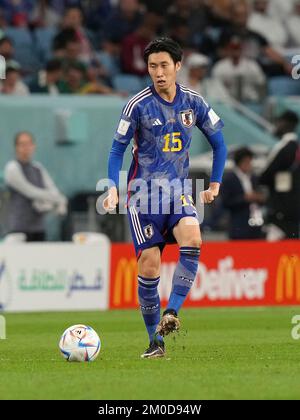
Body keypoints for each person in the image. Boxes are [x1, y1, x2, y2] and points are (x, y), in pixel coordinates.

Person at [103, 38, 227, 358]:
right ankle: (154, 342)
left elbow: (220, 144)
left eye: (164, 65)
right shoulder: (137, 105)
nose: (158, 72)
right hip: (142, 197)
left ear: (177, 66)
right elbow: (117, 148)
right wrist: (113, 187)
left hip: (176, 193)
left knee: (194, 238)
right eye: (152, 66)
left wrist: (214, 184)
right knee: (150, 265)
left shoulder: (194, 102)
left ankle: (172, 312)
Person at [4, 131, 67, 241]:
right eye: (22, 144)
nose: (26, 148)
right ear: (16, 147)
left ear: (33, 146)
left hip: (38, 228)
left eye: (28, 144)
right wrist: (59, 199)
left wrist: (58, 200)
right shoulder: (12, 168)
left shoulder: (38, 168)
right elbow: (30, 192)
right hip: (18, 228)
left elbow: (52, 189)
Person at [259, 111, 300, 240]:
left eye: (279, 122)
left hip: (280, 209)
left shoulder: (284, 146)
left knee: (274, 248)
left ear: (287, 124)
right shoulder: (296, 146)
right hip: (293, 209)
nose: (276, 126)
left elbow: (265, 176)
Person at [222, 147, 265, 240]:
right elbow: (225, 202)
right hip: (239, 225)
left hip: (256, 223)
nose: (249, 164)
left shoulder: (253, 177)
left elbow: (261, 196)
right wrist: (244, 198)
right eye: (246, 161)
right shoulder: (230, 179)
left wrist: (259, 198)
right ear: (239, 162)